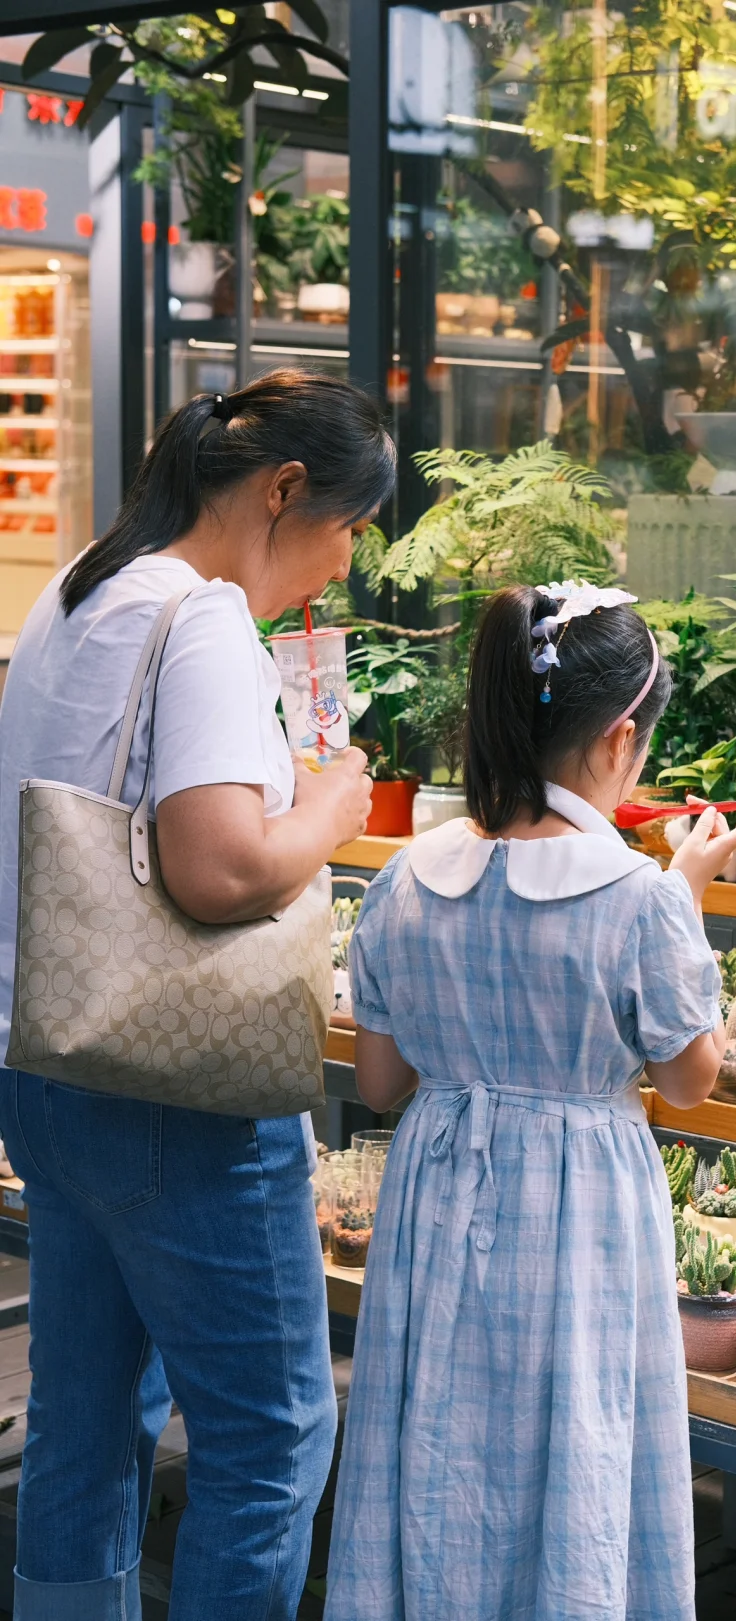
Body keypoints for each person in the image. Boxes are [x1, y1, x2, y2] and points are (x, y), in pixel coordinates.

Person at [0, 369, 395, 1621]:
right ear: (283, 491)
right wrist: (331, 807)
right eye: (345, 530)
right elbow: (217, 866)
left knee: (86, 1419)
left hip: (50, 1064)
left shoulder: (85, 593)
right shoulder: (207, 619)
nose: (339, 567)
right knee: (275, 1438)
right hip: (176, 1094)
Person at [324, 580, 736, 1621]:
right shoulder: (640, 897)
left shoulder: (408, 878)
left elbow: (379, 1083)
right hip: (582, 1222)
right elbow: (691, 1080)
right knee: (575, 1455)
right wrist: (686, 891)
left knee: (435, 1449)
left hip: (435, 1202)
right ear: (619, 741)